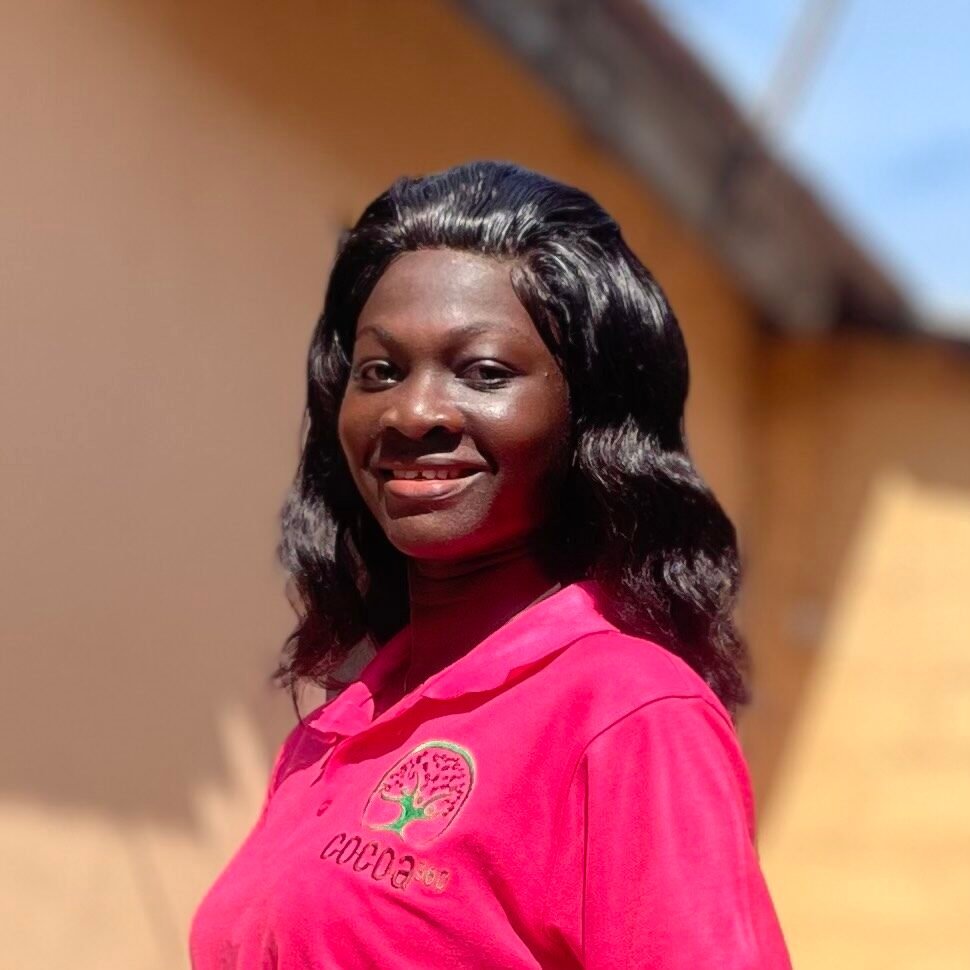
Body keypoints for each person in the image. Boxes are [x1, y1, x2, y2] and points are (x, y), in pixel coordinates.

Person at [189, 161, 791, 968]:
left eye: (483, 373)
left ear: (586, 416)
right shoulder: (340, 725)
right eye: (380, 372)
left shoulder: (628, 712)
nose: (413, 412)